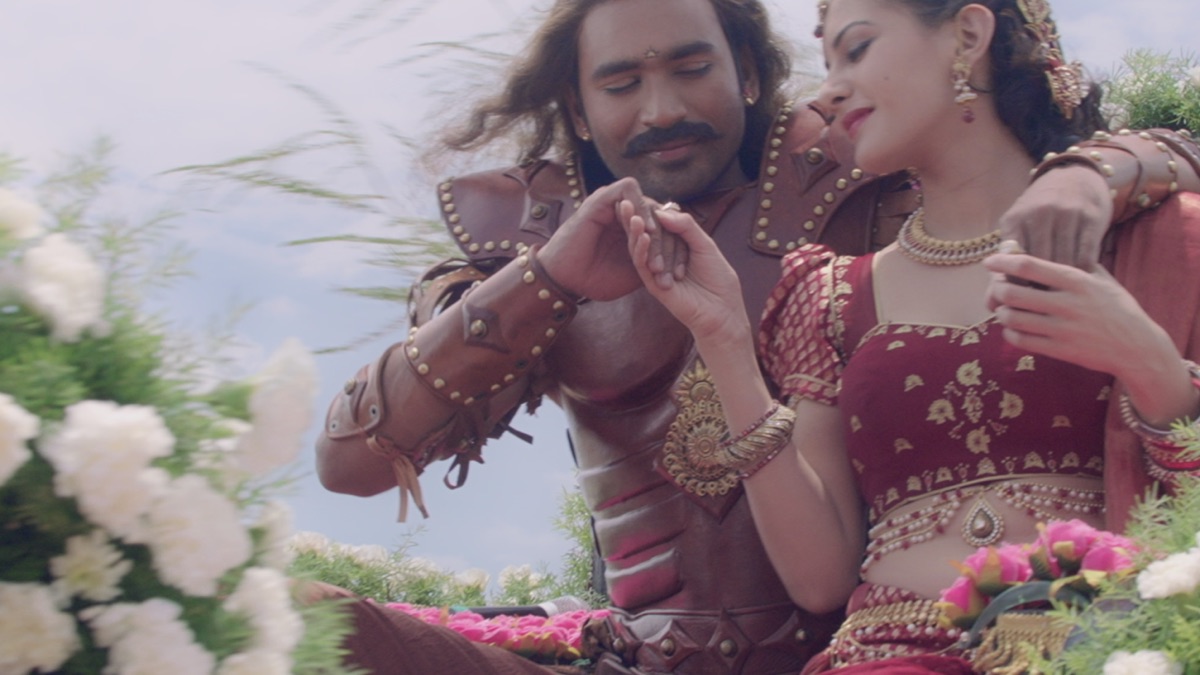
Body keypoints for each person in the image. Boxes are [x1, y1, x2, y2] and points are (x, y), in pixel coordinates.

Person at [314, 0, 1200, 672]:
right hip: (645, 655)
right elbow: (349, 461)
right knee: (307, 620)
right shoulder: (531, 245)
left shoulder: (859, 181)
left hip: (945, 631)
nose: (662, 108)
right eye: (620, 85)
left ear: (746, 71)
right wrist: (547, 279)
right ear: (577, 109)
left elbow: (1125, 156)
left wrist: (1094, 172)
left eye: (692, 67)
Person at [612, 0, 1200, 672]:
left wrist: (1148, 364)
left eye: (857, 50)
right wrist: (723, 341)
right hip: (888, 652)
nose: (828, 92)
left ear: (967, 35)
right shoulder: (831, 296)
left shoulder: (1152, 244)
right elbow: (819, 578)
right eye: (827, 64)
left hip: (1112, 641)